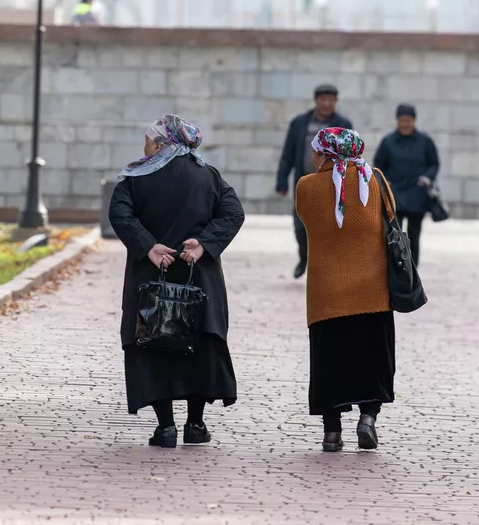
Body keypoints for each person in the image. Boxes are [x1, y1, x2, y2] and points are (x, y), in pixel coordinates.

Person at [107, 114, 245, 448]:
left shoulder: (136, 177)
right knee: (198, 345)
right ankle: (195, 424)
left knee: (153, 343)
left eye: (147, 140)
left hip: (151, 275)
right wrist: (204, 244)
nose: (145, 146)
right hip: (199, 275)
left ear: (159, 143)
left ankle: (165, 427)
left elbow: (119, 214)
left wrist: (148, 246)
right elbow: (233, 213)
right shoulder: (207, 175)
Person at [295, 127, 395, 453]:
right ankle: (368, 419)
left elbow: (306, 218)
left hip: (326, 294)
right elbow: (391, 217)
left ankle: (332, 432)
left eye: (314, 151)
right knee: (373, 357)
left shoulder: (307, 187)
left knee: (329, 362)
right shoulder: (375, 180)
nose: (311, 157)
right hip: (373, 291)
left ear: (324, 153)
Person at [276, 84, 353, 279]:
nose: (326, 103)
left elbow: (351, 155)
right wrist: (282, 180)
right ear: (316, 100)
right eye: (323, 99)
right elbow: (288, 154)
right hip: (304, 182)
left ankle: (328, 266)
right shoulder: (299, 123)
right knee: (301, 224)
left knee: (331, 224)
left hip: (332, 183)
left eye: (331, 100)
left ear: (335, 102)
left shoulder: (343, 124)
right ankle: (304, 258)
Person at [372, 103, 440, 269]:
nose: (405, 124)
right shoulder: (388, 142)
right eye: (402, 120)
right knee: (395, 232)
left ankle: (413, 267)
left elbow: (434, 164)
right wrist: (385, 181)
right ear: (397, 120)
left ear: (414, 121)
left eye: (408, 120)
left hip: (417, 193)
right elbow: (379, 164)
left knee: (414, 234)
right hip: (395, 193)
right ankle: (396, 265)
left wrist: (427, 178)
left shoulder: (424, 141)